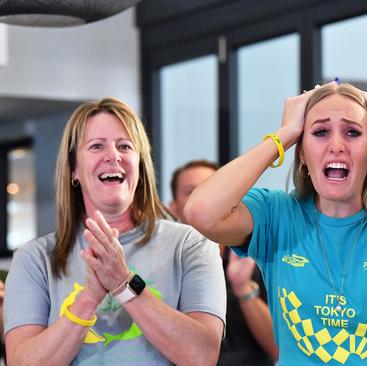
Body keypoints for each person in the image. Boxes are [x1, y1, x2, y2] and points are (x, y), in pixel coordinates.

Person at [184, 82, 367, 365]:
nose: (337, 146)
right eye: (320, 132)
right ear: (302, 153)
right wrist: (282, 136)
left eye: (353, 132)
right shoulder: (276, 214)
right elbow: (201, 211)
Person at [3, 97, 226, 365]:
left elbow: (202, 356)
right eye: (96, 146)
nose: (113, 156)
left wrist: (124, 283)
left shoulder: (191, 245)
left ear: (141, 167)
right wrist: (89, 298)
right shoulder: (34, 259)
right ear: (74, 169)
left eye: (125, 146)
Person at [169, 159, 278, 365]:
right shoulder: (165, 268)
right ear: (173, 208)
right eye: (192, 192)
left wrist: (244, 289)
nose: (203, 201)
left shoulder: (257, 258)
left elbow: (280, 350)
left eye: (210, 190)